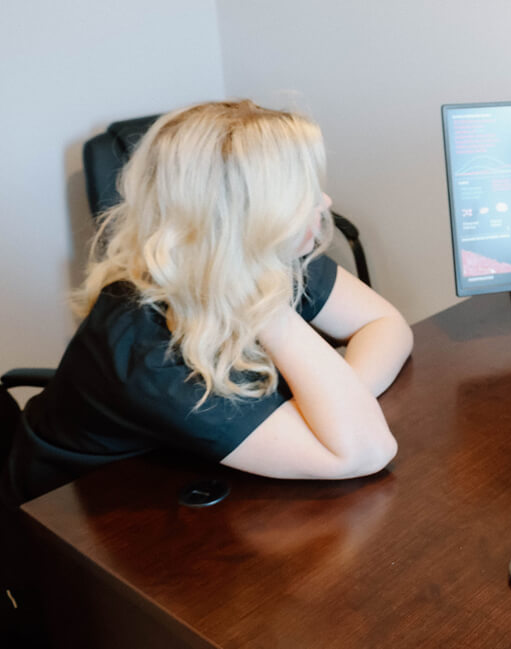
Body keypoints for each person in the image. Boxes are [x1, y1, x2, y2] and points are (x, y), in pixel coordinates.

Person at [1, 100, 412, 505]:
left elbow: (384, 324)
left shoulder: (269, 256)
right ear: (245, 220)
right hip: (71, 518)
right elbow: (366, 451)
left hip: (191, 469)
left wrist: (339, 402)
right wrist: (272, 316)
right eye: (300, 190)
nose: (324, 202)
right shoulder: (146, 346)